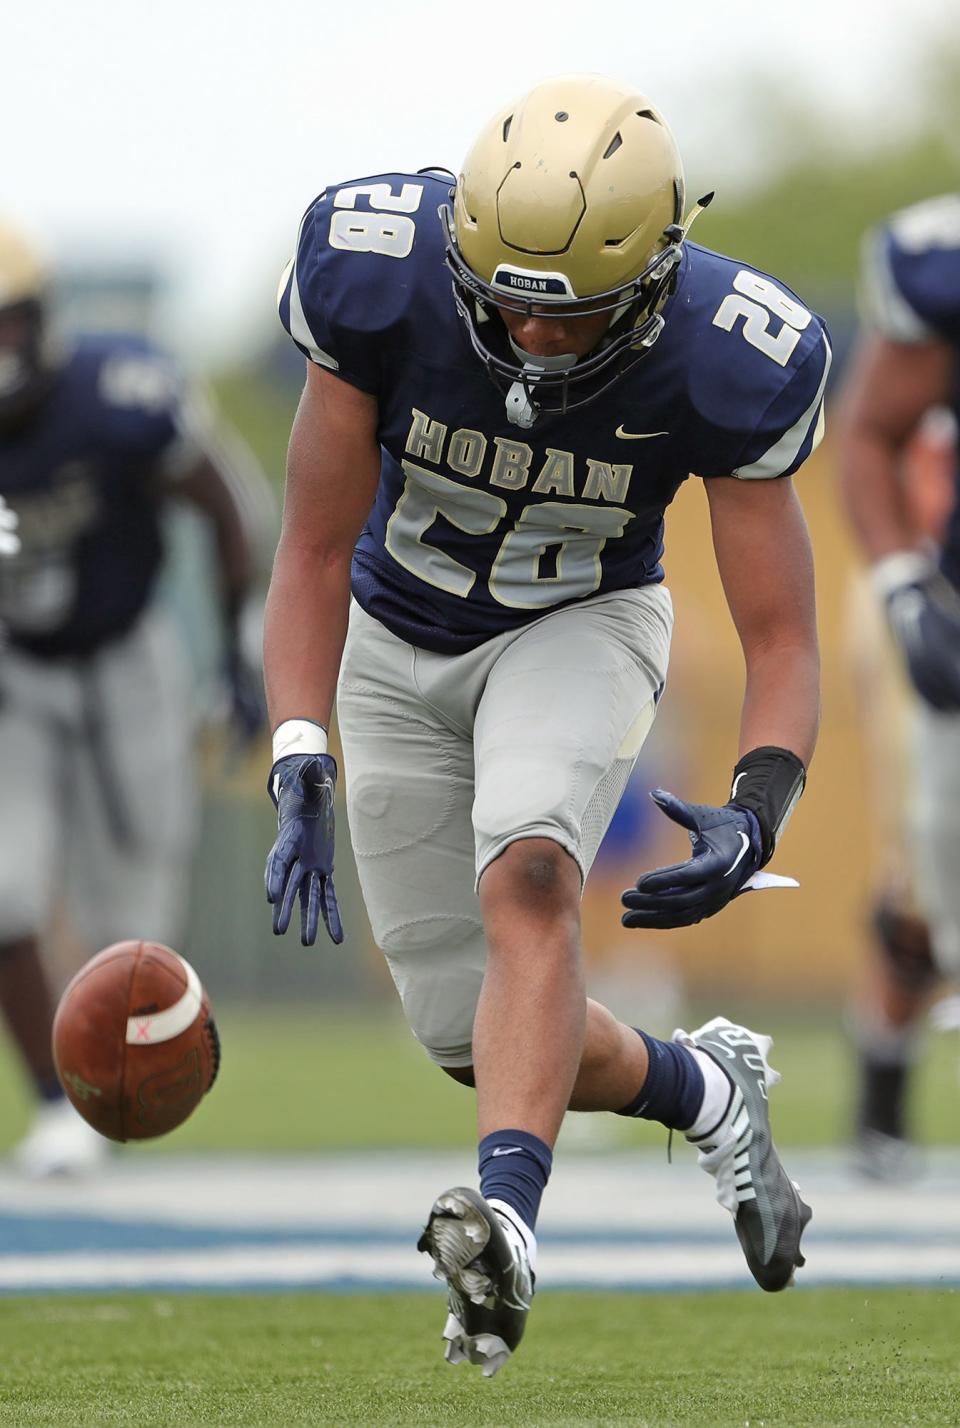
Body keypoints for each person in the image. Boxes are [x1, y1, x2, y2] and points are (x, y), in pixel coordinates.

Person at [265, 75, 829, 1375]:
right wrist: (301, 742)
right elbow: (305, 545)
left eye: (567, 313)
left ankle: (505, 1230)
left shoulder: (724, 349)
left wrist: (760, 808)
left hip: (579, 622)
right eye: (508, 296)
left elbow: (784, 632)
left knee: (532, 877)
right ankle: (708, 1093)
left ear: (653, 279)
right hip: (394, 634)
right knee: (470, 1036)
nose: (528, 333)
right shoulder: (376, 277)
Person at [0, 221, 269, 1176]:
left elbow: (224, 501)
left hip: (130, 661)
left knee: (134, 920)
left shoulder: (118, 396)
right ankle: (53, 1104)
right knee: (4, 888)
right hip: (15, 670)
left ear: (41, 323)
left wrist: (240, 648)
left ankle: (121, 1089)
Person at [836, 193, 960, 1180]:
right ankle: (880, 1104)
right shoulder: (940, 265)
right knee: (925, 899)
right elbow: (877, 437)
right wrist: (906, 583)